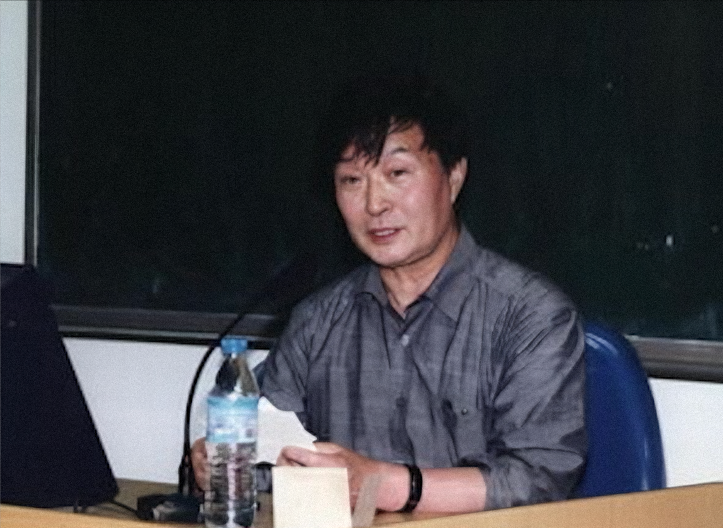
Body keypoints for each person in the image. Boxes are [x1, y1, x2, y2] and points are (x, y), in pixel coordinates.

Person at [192, 72, 586, 514]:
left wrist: (385, 486)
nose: (374, 204)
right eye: (351, 181)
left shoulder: (530, 316)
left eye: (397, 173)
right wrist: (227, 462)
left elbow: (540, 480)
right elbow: (273, 460)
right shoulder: (317, 321)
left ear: (454, 177)